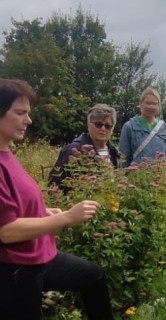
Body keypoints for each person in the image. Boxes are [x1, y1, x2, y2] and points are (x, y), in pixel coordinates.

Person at [0, 79, 113, 320]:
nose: (28, 120)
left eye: (28, 113)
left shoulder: (7, 152)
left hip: (41, 255)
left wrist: (44, 211)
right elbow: (6, 231)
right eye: (20, 113)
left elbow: (15, 205)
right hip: (17, 268)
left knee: (94, 276)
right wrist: (67, 217)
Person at [48, 104, 121, 189]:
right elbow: (54, 185)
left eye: (108, 126)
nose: (103, 129)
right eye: (98, 124)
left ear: (112, 129)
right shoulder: (73, 150)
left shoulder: (114, 152)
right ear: (88, 125)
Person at [119, 87, 166, 166]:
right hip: (137, 176)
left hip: (159, 176)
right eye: (148, 103)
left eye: (154, 104)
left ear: (158, 106)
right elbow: (123, 158)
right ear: (140, 103)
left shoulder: (164, 128)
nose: (151, 107)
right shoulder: (129, 127)